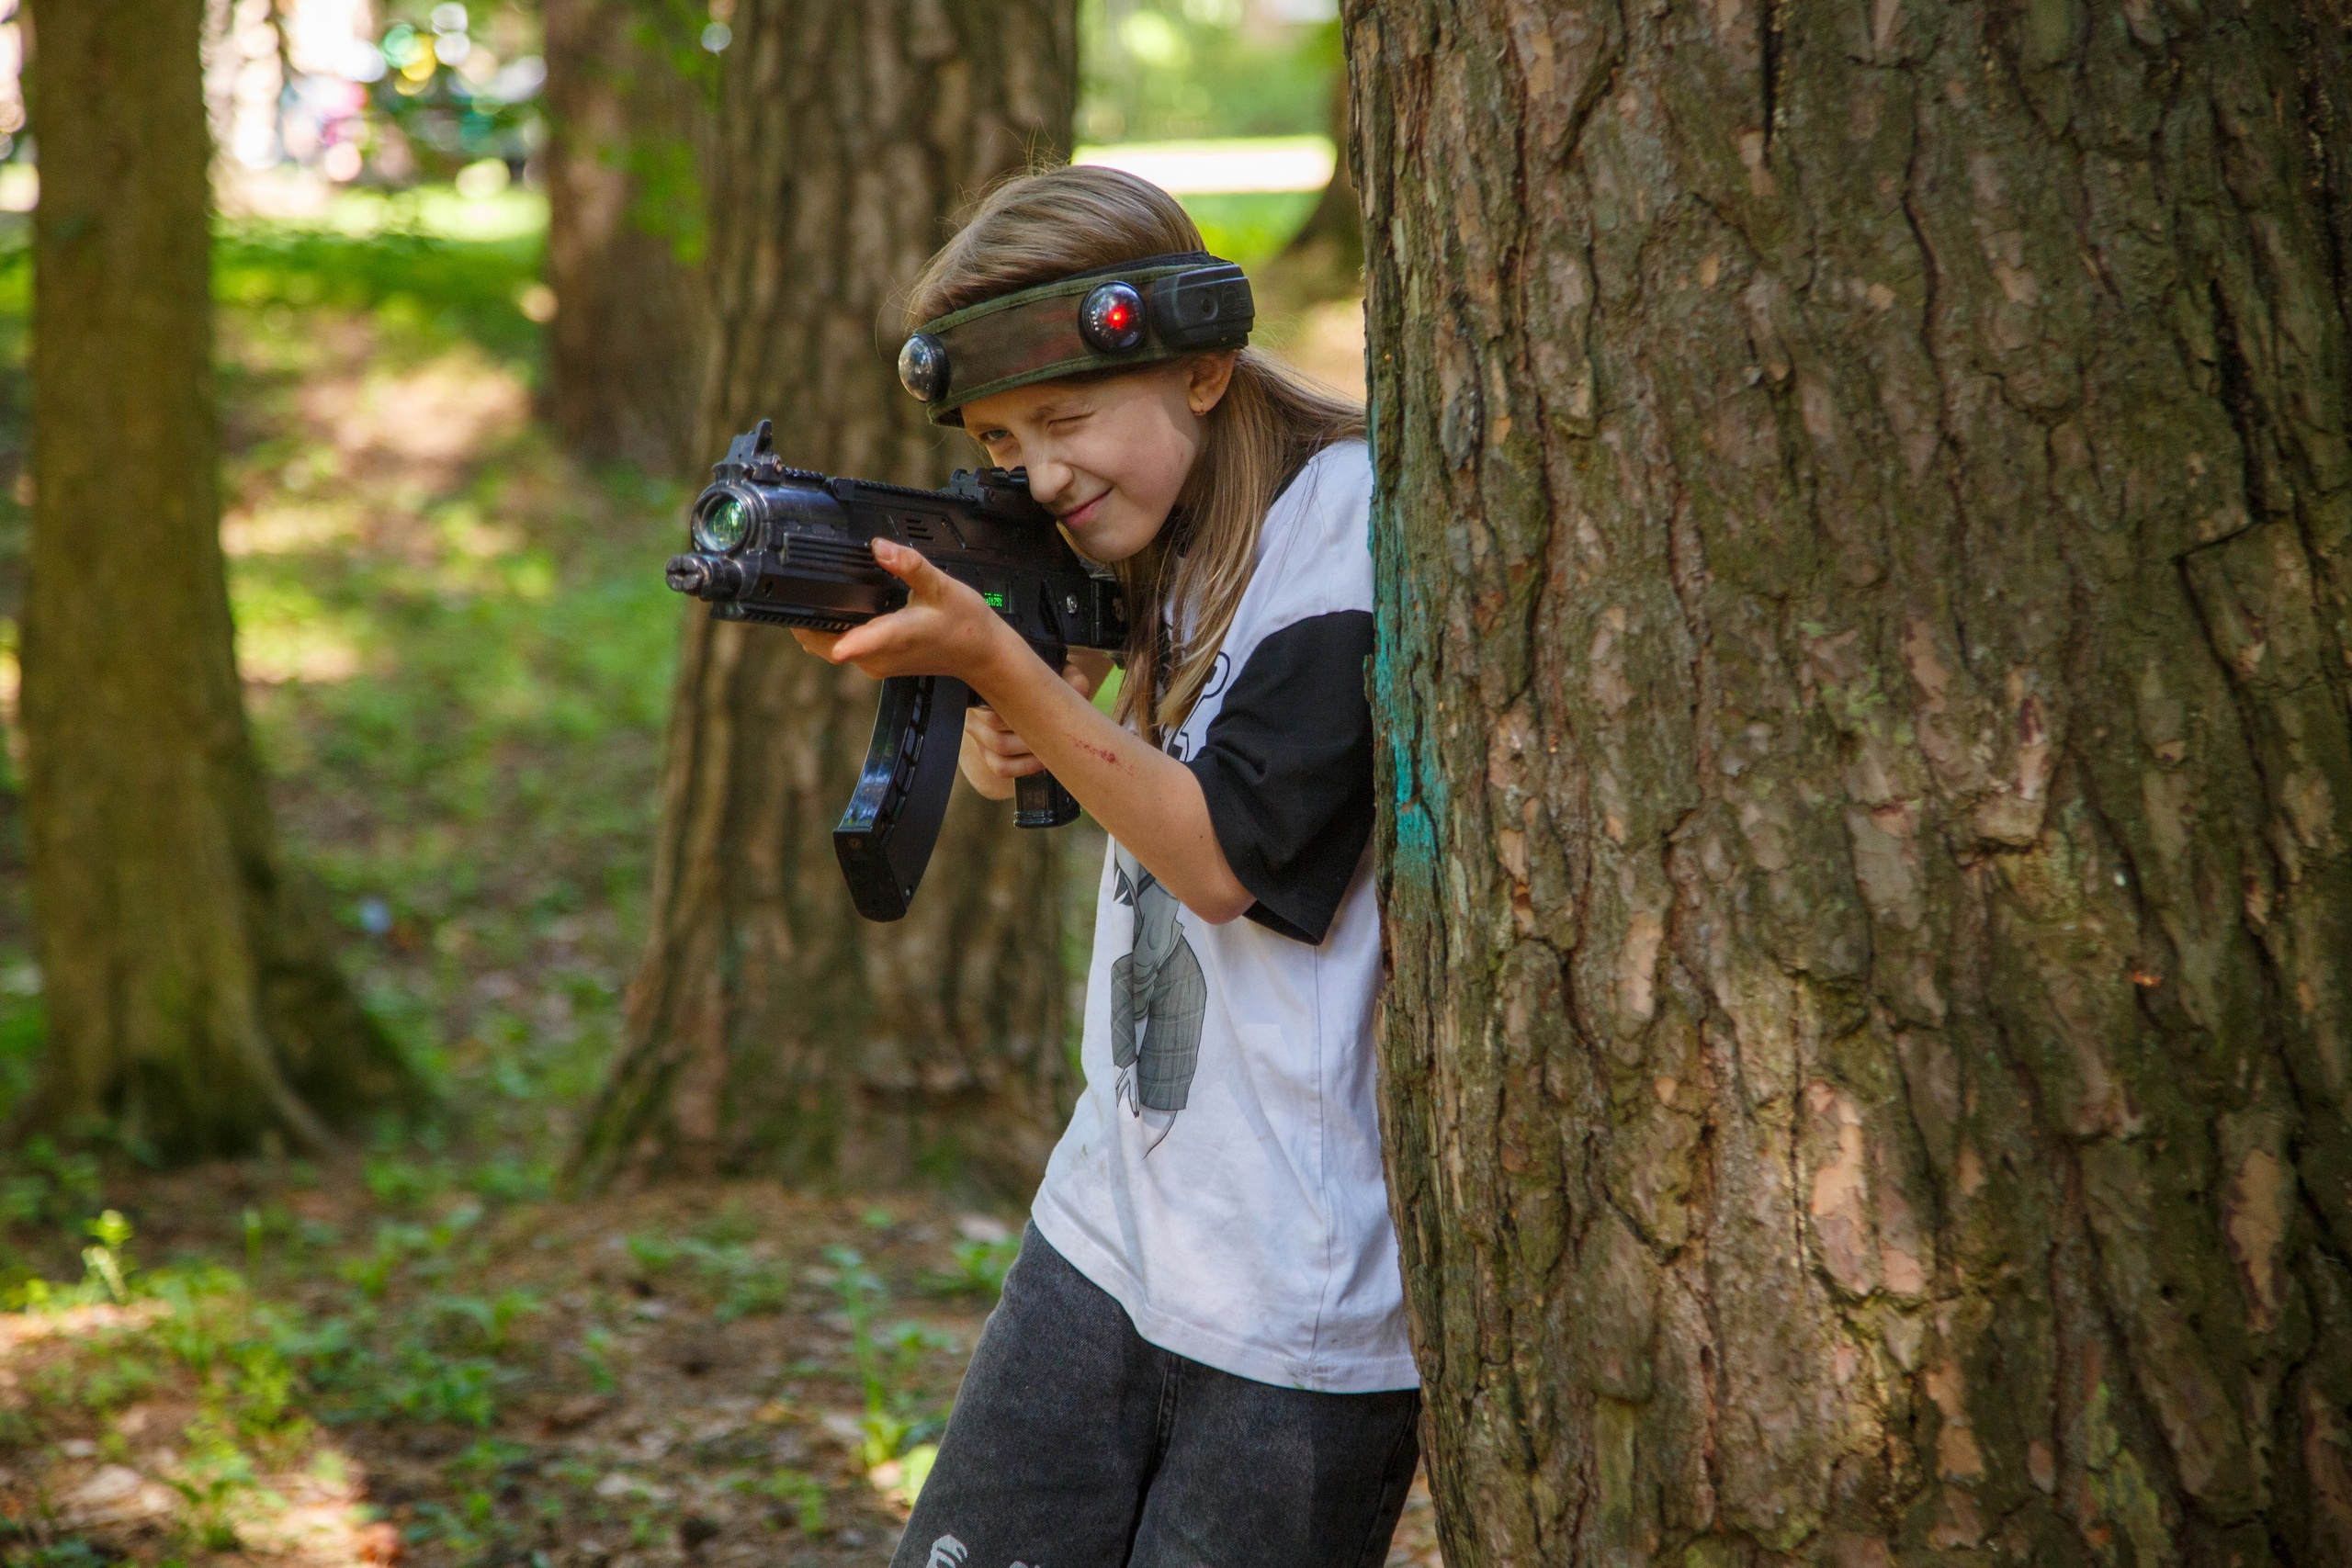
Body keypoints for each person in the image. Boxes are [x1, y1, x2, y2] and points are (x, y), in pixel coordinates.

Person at [793, 164, 1416, 1568]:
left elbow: (1219, 859)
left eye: (1068, 419)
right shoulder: (1149, 535)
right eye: (1004, 439)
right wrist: (1021, 715)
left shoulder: (1340, 531)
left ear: (1201, 370)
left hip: (1294, 1303)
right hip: (1108, 1225)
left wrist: (1010, 674)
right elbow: (1123, 753)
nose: (1041, 474)